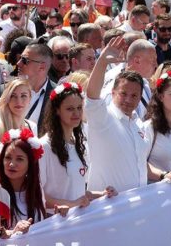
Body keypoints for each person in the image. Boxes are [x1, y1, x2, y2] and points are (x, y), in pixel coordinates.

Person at [86, 36, 171, 193]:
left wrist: (163, 175)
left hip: (137, 209)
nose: (128, 100)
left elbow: (140, 164)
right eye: (123, 94)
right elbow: (92, 95)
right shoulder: (103, 117)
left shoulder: (138, 124)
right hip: (106, 209)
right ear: (113, 91)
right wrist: (102, 62)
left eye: (134, 95)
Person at [40, 82, 117, 215]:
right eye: (69, 109)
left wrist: (102, 194)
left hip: (76, 221)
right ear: (57, 111)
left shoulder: (78, 143)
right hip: (53, 222)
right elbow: (38, 195)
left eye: (79, 107)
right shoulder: (44, 146)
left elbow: (76, 192)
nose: (76, 113)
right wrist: (73, 204)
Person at [0, 128, 47, 227]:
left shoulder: (36, 189)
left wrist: (60, 216)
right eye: (7, 158)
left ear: (30, 164)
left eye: (19, 159)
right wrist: (12, 233)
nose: (12, 164)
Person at [16, 42, 56, 135]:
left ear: (42, 66)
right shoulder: (6, 89)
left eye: (25, 60)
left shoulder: (58, 94)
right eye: (20, 58)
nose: (18, 63)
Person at [0, 79, 37, 159]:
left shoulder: (32, 127)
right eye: (13, 96)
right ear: (7, 99)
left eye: (23, 96)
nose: (18, 101)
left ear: (30, 98)